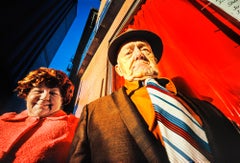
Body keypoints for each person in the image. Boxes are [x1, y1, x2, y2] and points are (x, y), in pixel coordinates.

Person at [68, 29, 240, 162]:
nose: (139, 54)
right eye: (128, 52)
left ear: (155, 60)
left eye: (144, 49)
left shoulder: (207, 108)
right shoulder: (94, 112)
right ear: (119, 70)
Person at [0, 67, 79, 162]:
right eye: (39, 91)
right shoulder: (4, 120)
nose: (45, 97)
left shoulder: (75, 125)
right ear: (27, 95)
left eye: (53, 93)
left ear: (62, 100)